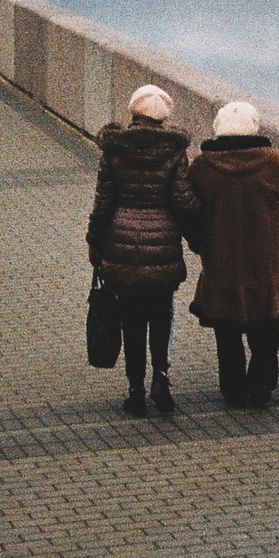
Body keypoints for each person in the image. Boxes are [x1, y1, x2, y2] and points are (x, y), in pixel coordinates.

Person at [87, 84, 197, 417]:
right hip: (162, 246)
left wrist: (95, 241)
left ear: (133, 112)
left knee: (132, 321)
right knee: (161, 316)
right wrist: (198, 229)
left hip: (121, 246)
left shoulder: (114, 149)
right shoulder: (175, 151)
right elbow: (183, 201)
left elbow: (103, 203)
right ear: (163, 117)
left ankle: (135, 390)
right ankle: (161, 379)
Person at [185, 100, 279, 407]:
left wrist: (200, 243)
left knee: (227, 332)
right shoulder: (269, 161)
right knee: (267, 328)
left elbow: (192, 207)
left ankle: (233, 389)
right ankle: (261, 385)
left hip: (221, 261)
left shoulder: (203, 166)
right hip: (264, 259)